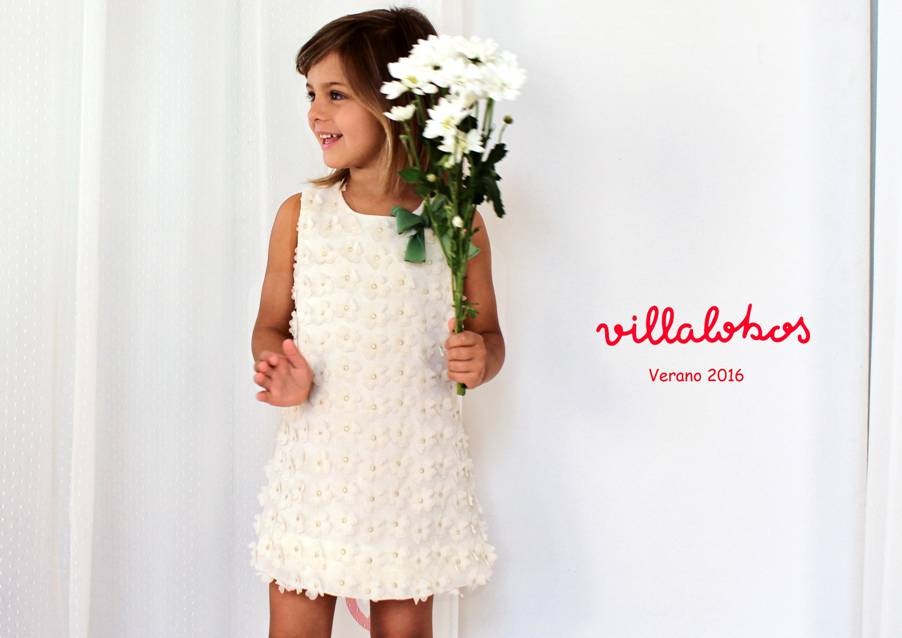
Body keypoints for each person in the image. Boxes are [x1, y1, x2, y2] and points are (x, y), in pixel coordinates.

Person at [246, 7, 505, 637]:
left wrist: (481, 357)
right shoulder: (302, 215)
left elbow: (489, 335)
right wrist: (279, 368)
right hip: (319, 469)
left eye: (336, 94)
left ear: (401, 104)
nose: (316, 112)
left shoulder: (456, 221)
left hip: (410, 471)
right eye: (311, 94)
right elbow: (270, 325)